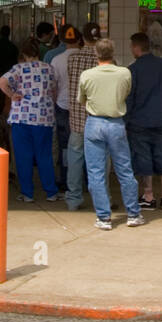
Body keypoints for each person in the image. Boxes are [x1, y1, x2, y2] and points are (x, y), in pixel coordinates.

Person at [78, 38, 141, 229]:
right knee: (124, 170)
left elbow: (82, 99)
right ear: (113, 53)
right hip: (116, 123)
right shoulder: (124, 73)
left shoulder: (87, 75)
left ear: (96, 54)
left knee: (96, 172)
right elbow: (126, 94)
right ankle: (133, 214)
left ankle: (103, 218)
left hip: (94, 123)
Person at [0, 38, 59, 203]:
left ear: (23, 54)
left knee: (23, 156)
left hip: (22, 116)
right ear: (38, 53)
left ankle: (27, 193)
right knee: (44, 155)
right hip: (44, 117)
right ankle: (51, 192)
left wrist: (12, 95)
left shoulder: (18, 69)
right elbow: (54, 91)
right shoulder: (49, 69)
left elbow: (1, 82)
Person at [126, 32, 162, 210]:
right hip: (160, 120)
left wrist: (127, 119)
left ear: (136, 47)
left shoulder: (133, 70)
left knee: (143, 158)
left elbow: (130, 99)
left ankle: (148, 196)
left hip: (138, 122)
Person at [64, 28, 97, 211]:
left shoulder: (73, 58)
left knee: (75, 159)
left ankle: (73, 199)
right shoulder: (104, 60)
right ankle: (102, 198)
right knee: (99, 161)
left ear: (83, 38)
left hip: (77, 118)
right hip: (98, 118)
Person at [51, 25, 81, 191]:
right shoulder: (86, 58)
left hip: (63, 106)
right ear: (79, 39)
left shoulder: (57, 59)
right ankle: (83, 179)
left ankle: (65, 179)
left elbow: (53, 86)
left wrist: (55, 102)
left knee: (65, 145)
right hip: (83, 108)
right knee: (85, 145)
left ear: (63, 40)